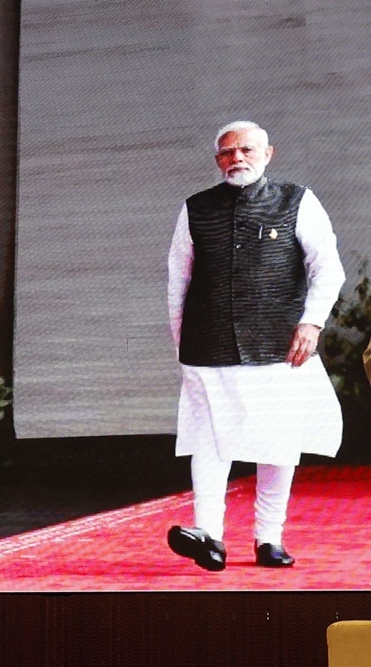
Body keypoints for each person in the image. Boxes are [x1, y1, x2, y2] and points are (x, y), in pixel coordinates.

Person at [165, 120, 345, 572]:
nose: (237, 158)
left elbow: (329, 268)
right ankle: (209, 535)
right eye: (227, 153)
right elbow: (177, 281)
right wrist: (181, 342)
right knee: (207, 442)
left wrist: (312, 323)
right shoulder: (196, 209)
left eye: (247, 150)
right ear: (216, 160)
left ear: (268, 154)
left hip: (280, 346)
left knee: (277, 443)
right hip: (208, 345)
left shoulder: (296, 201)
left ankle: (270, 538)